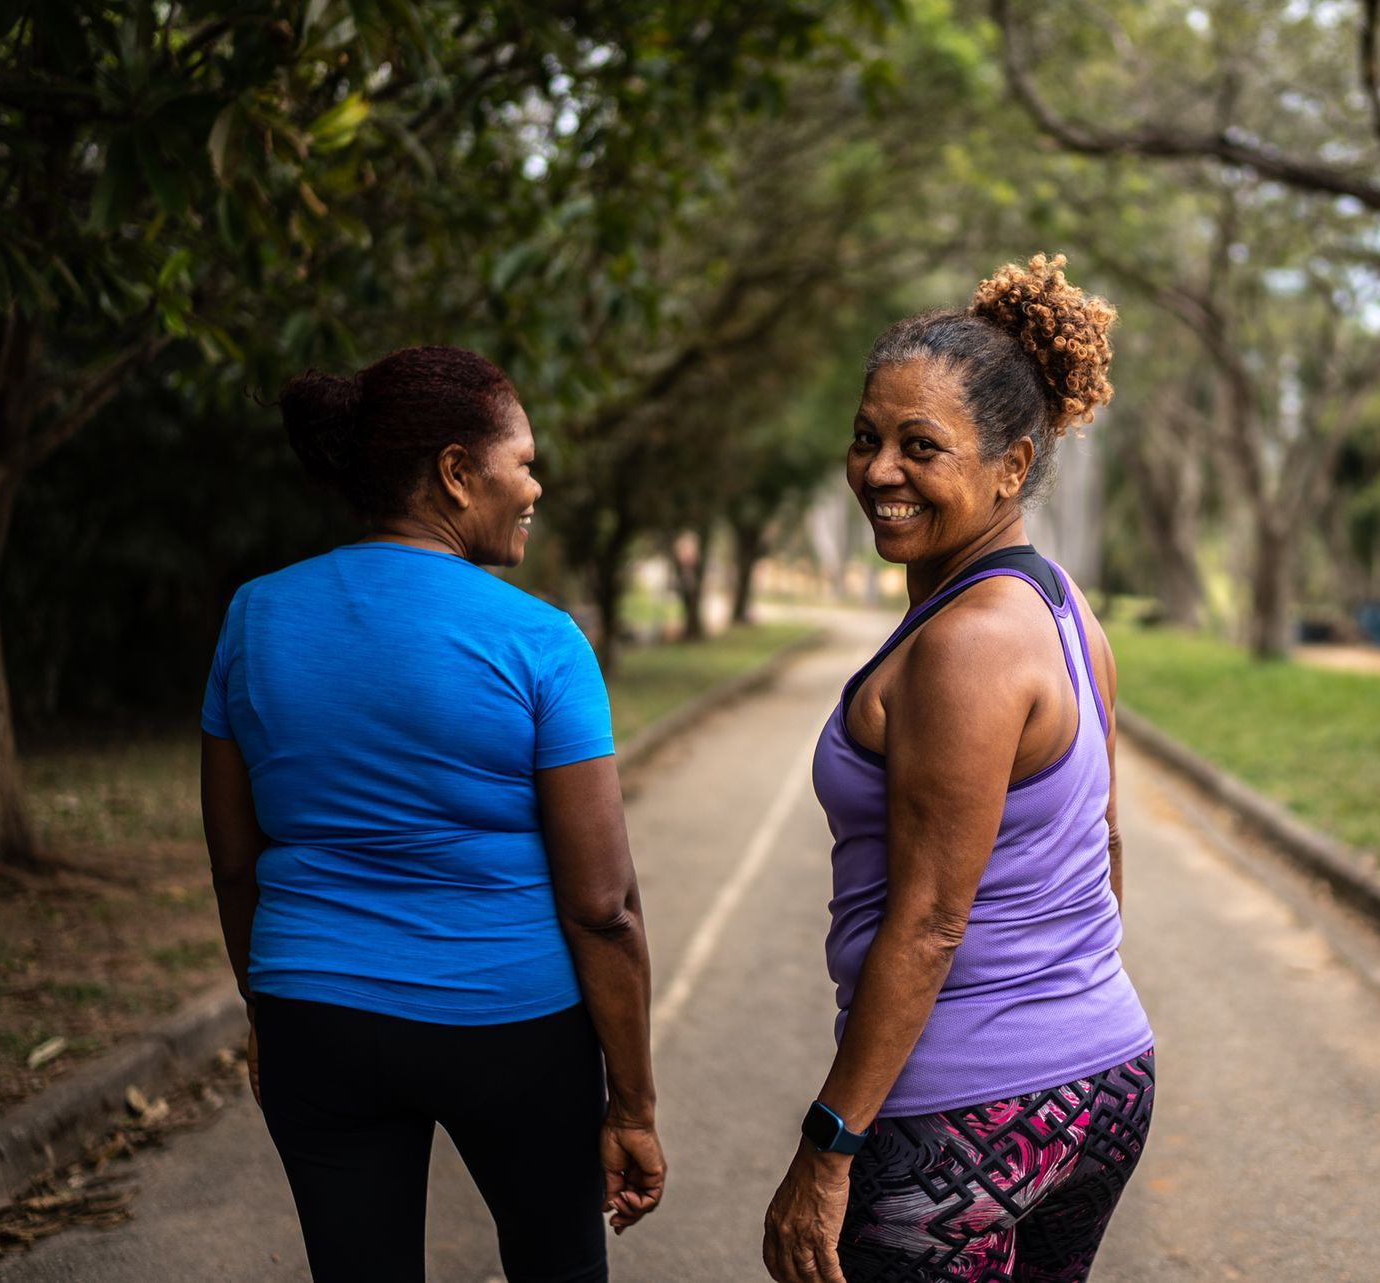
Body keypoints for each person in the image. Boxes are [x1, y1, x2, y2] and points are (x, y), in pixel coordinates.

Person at [199, 345, 665, 1282]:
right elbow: (602, 904)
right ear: (457, 473)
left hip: (311, 1008)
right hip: (512, 1025)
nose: (535, 484)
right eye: (522, 461)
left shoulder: (254, 617)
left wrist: (269, 1005)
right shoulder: (540, 640)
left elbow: (235, 861)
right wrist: (632, 1104)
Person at [762, 255, 1156, 1283]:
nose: (880, 470)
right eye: (867, 438)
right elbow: (1102, 840)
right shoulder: (1062, 609)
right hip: (1101, 1075)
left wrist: (829, 1140)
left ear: (1011, 467)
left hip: (966, 1110)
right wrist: (1066, 1006)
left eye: (920, 446)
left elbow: (932, 919)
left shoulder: (968, 643)